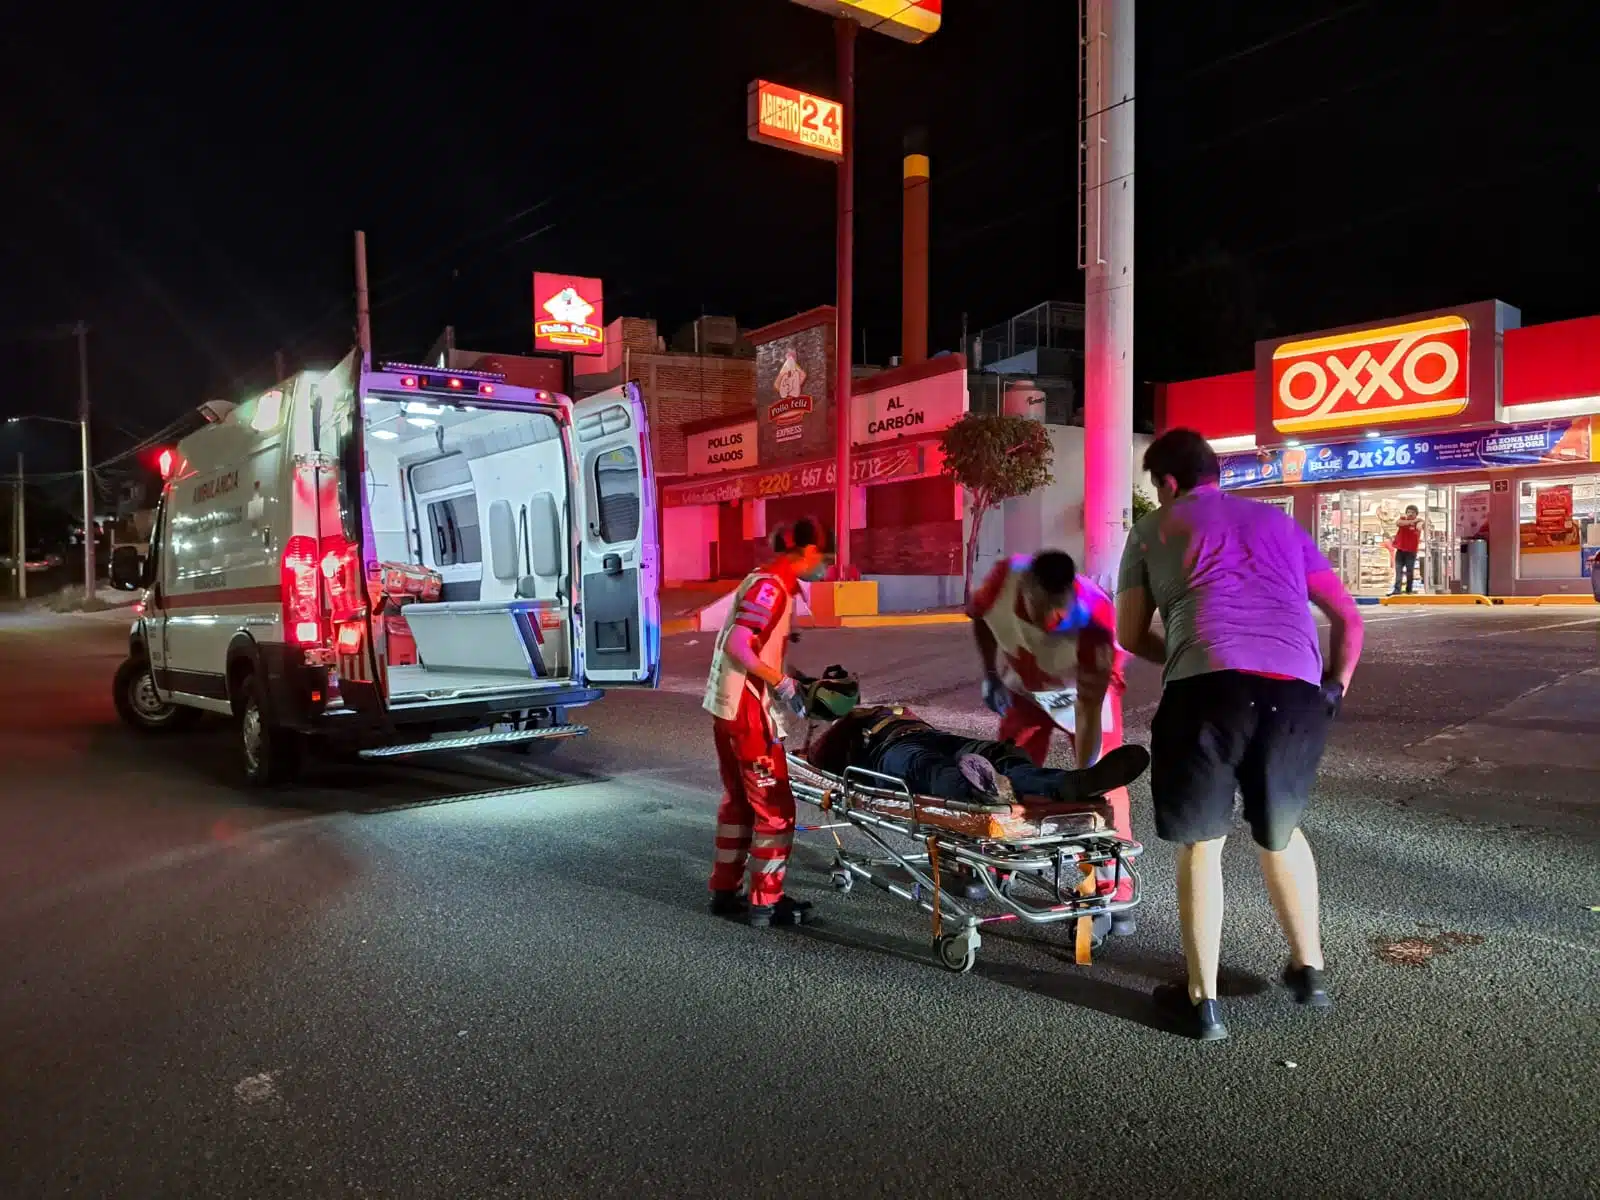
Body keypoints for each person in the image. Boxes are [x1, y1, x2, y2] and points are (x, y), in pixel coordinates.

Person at [1116, 429, 1364, 1041]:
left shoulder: (1153, 529)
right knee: (1281, 832)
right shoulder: (1280, 524)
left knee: (1202, 844)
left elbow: (1127, 633)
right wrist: (1335, 684)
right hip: (1296, 693)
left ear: (1167, 482)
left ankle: (1202, 1005)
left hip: (1207, 692)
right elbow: (1348, 618)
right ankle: (1309, 968)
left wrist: (1183, 652)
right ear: (1214, 472)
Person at [967, 551, 1137, 925]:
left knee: (1106, 783)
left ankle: (1114, 882)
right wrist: (990, 674)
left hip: (1084, 693)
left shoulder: (1095, 616)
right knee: (1008, 769)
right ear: (1028, 588)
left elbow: (1090, 709)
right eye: (1044, 609)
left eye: (1060, 613)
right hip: (1028, 688)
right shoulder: (1004, 579)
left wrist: (1089, 775)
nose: (1051, 621)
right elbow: (981, 617)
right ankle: (1007, 853)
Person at [703, 518, 831, 928]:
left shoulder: (764, 580)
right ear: (807, 553)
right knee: (776, 809)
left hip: (729, 707)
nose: (825, 567)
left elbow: (759, 645)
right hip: (747, 711)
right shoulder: (771, 586)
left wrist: (787, 680)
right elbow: (741, 643)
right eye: (824, 559)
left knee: (739, 800)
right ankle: (765, 902)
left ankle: (725, 891)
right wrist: (781, 682)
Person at [804, 703, 1150, 809]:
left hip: (929, 735)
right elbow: (818, 759)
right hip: (884, 751)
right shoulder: (843, 728)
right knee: (928, 769)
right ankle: (981, 790)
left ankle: (1071, 782)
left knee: (995, 752)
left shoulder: (884, 709)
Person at [1392, 504, 1424, 594]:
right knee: (1398, 571)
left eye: (1412, 512)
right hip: (1400, 550)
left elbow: (1421, 526)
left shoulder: (1418, 523)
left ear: (1416, 514)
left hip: (1411, 552)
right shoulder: (1403, 520)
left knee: (1409, 571)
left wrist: (1421, 522)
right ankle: (1397, 590)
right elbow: (1398, 523)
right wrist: (1412, 521)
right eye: (1408, 512)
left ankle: (1408, 590)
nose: (1410, 514)